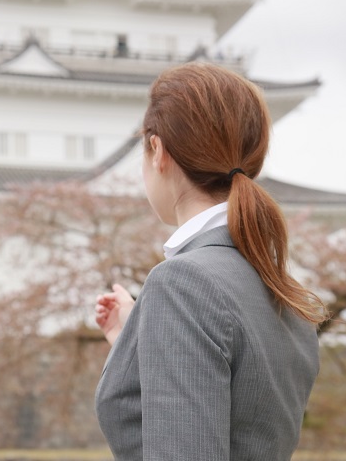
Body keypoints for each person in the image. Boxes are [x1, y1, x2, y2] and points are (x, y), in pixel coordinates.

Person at [94, 62, 325, 460]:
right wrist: (143, 333)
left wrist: (168, 310)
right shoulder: (279, 288)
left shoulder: (183, 282)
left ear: (157, 150)